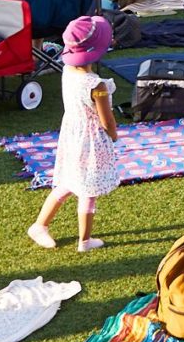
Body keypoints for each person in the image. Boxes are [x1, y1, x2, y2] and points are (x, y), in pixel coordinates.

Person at [30, 16, 119, 251]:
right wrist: (113, 133)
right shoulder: (96, 86)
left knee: (69, 182)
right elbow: (105, 118)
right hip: (90, 140)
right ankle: (85, 240)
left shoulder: (67, 71)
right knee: (88, 189)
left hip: (72, 134)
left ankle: (40, 225)